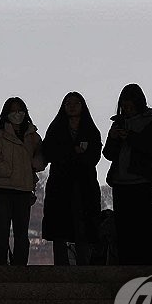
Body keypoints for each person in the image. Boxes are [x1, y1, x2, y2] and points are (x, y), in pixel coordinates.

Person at [103, 84, 152, 266]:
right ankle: (126, 264)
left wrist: (131, 137)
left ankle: (145, 264)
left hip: (142, 182)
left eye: (130, 106)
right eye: (124, 106)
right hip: (120, 183)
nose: (127, 109)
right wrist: (114, 138)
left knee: (143, 227)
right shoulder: (117, 123)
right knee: (123, 229)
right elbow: (108, 153)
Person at [0, 97, 45, 266]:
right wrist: (5, 170)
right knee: (2, 232)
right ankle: (0, 266)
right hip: (2, 189)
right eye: (13, 111)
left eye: (20, 110)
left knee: (21, 234)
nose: (17, 114)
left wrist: (37, 163)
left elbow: (43, 155)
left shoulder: (33, 137)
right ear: (7, 114)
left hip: (23, 190)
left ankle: (19, 267)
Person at [41, 91, 103, 265]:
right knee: (59, 229)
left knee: (83, 227)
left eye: (76, 103)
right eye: (68, 103)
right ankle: (61, 265)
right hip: (60, 185)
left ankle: (84, 264)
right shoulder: (56, 128)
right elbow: (48, 151)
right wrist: (72, 152)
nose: (72, 106)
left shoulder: (90, 129)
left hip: (84, 184)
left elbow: (95, 155)